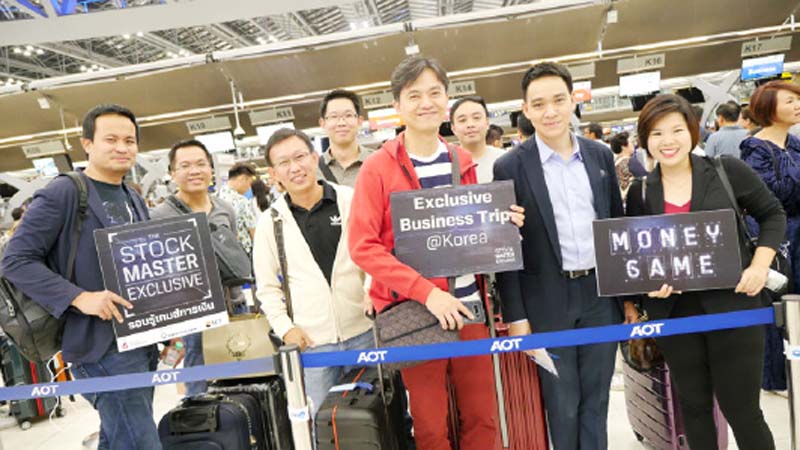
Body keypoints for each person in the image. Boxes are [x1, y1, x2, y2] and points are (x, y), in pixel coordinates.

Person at [348, 55, 524, 450]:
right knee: (430, 426)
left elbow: (471, 232)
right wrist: (427, 292)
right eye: (414, 95)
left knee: (483, 417)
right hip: (416, 314)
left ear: (446, 99)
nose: (426, 103)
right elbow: (363, 246)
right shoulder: (378, 168)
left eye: (434, 93)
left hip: (470, 308)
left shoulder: (462, 161)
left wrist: (503, 223)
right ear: (397, 105)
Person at [625, 94, 783, 450]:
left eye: (677, 130)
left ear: (693, 131)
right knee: (693, 407)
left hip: (735, 305)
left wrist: (759, 265)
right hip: (675, 313)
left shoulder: (726, 170)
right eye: (656, 133)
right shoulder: (641, 190)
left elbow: (772, 213)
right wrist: (648, 284)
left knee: (743, 410)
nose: (668, 141)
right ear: (645, 139)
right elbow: (637, 250)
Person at [493, 62, 635, 450]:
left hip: (599, 296)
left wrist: (627, 298)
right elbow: (507, 248)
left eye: (558, 100)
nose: (550, 111)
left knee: (597, 401)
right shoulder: (509, 166)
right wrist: (517, 316)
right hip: (546, 301)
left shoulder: (599, 156)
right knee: (562, 403)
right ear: (526, 109)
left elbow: (616, 225)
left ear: (573, 100)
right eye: (539, 104)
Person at [2, 104, 161, 450]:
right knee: (141, 442)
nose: (122, 147)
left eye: (130, 140)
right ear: (87, 143)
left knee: (121, 436)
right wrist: (79, 297)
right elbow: (14, 260)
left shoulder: (132, 196)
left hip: (138, 340)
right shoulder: (65, 192)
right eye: (111, 139)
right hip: (99, 346)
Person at [253, 128, 373, 415]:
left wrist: (372, 289)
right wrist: (286, 329)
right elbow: (267, 288)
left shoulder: (349, 200)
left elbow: (374, 251)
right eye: (284, 163)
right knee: (322, 422)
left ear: (314, 158)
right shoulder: (271, 222)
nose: (295, 168)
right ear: (274, 173)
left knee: (375, 416)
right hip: (312, 344)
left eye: (300, 157)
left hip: (364, 332)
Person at [150, 139, 240, 397]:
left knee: (237, 376)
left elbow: (234, 257)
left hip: (229, 307)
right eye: (185, 166)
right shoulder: (159, 216)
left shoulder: (225, 210)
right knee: (197, 386)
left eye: (201, 164)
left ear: (211, 169)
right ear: (172, 173)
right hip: (188, 317)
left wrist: (239, 302)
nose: (195, 171)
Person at [740, 80, 800, 393]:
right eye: (789, 101)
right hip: (778, 235)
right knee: (778, 304)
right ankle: (777, 377)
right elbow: (769, 198)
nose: (797, 105)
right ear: (768, 108)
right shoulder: (755, 149)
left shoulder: (794, 143)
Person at [317, 89, 374, 187]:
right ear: (323, 123)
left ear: (359, 121)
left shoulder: (380, 161)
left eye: (348, 115)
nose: (341, 123)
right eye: (334, 116)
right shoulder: (312, 170)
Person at [450, 95, 505, 183]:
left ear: (487, 123)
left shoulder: (504, 160)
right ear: (453, 128)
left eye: (476, 118)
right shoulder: (446, 164)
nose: (470, 125)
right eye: (462, 120)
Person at [217, 163, 257, 254]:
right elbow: (252, 230)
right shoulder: (241, 200)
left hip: (224, 252)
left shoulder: (216, 198)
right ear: (243, 179)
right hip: (243, 251)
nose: (249, 188)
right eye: (249, 183)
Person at [610, 131, 635, 198]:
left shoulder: (615, 161)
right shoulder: (631, 162)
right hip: (632, 197)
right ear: (623, 146)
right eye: (631, 142)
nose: (633, 144)